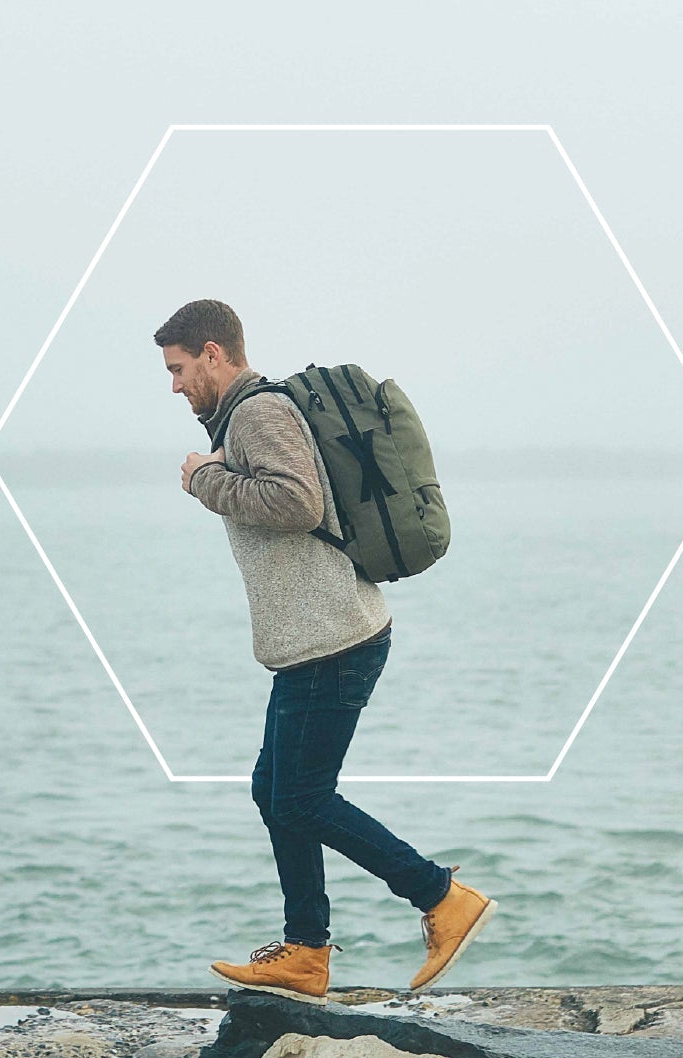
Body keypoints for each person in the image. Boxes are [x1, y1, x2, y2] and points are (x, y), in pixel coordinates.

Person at [159, 298, 496, 1005]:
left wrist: (202, 480)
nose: (174, 385)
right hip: (314, 641)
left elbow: (297, 504)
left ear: (215, 353)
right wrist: (219, 470)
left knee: (301, 796)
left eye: (180, 368)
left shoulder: (256, 412)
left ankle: (441, 896)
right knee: (275, 792)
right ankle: (306, 951)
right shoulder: (244, 417)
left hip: (333, 639)